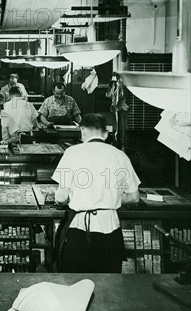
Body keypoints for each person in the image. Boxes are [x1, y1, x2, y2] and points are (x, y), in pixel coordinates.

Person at [52, 113, 140, 273]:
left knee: (77, 286)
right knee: (108, 288)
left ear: (83, 130)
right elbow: (134, 197)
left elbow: (61, 197)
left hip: (80, 230)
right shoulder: (120, 155)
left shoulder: (72, 153)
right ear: (105, 134)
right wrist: (110, 199)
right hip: (111, 230)